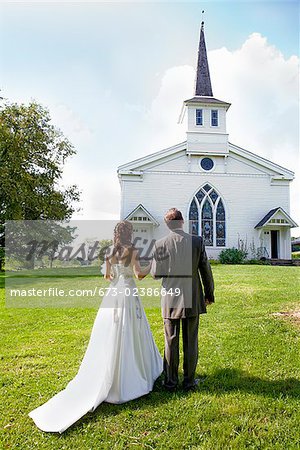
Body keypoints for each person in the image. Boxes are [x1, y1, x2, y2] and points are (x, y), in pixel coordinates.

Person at [29, 221, 163, 433]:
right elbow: (139, 274)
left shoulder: (110, 251)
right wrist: (152, 265)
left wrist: (118, 274)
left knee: (114, 333)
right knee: (131, 332)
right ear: (129, 233)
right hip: (128, 294)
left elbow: (107, 277)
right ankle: (131, 376)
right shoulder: (132, 250)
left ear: (115, 234)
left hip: (114, 294)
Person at [151, 208, 214, 392]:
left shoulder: (160, 243)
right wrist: (209, 294)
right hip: (192, 298)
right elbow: (205, 270)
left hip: (170, 299)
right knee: (191, 341)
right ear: (182, 222)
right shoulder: (197, 241)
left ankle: (170, 382)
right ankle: (189, 382)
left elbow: (156, 274)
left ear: (168, 225)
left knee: (170, 341)